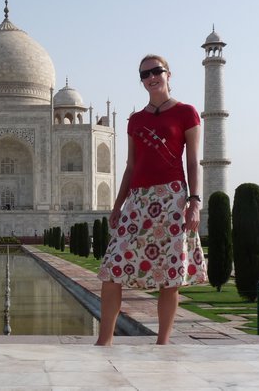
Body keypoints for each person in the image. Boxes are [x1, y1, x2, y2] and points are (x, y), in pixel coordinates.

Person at [96, 54, 207, 346]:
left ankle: (163, 343)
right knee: (112, 269)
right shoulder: (136, 120)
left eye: (156, 71)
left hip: (171, 196)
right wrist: (118, 205)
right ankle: (103, 341)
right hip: (138, 198)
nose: (150, 77)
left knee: (169, 277)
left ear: (168, 74)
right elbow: (131, 167)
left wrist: (195, 201)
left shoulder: (186, 113)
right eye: (144, 74)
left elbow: (194, 162)